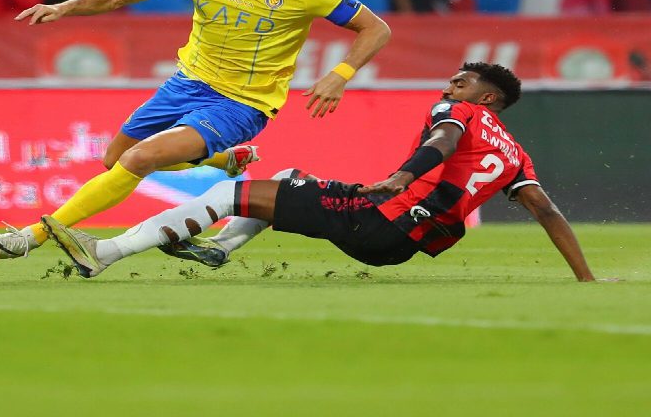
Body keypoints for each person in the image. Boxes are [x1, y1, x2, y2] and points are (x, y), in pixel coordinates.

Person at [0, 0, 393, 259]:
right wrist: (64, 7)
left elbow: (376, 28)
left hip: (241, 102)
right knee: (114, 159)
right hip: (185, 84)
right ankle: (226, 160)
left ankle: (32, 236)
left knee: (138, 158)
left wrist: (339, 74)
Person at [43, 63, 602, 283]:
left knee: (230, 191)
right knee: (286, 178)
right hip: (399, 246)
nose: (448, 87)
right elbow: (547, 213)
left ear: (488, 96)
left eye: (461, 81)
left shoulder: (463, 114)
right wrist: (585, 277)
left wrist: (403, 177)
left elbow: (442, 141)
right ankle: (219, 250)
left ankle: (105, 254)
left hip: (377, 215)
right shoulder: (516, 154)